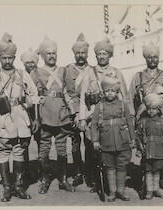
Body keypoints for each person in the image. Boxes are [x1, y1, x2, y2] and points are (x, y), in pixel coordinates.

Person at [0, 33, 38, 202]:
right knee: (2, 152)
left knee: (19, 150)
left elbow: (34, 96)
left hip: (20, 118)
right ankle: (7, 187)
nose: (7, 61)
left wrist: (35, 119)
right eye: (4, 58)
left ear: (14, 58)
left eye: (10, 58)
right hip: (1, 119)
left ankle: (19, 187)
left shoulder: (22, 74)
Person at [129, 42, 163, 190]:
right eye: (149, 57)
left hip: (161, 116)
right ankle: (145, 178)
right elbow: (129, 97)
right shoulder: (138, 77)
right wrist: (132, 117)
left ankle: (160, 178)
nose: (152, 60)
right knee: (144, 145)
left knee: (161, 147)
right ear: (145, 58)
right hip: (143, 116)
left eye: (155, 57)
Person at [30, 36, 77, 194]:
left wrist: (74, 113)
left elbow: (71, 93)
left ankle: (63, 180)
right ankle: (44, 180)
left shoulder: (64, 71)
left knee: (62, 148)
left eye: (54, 53)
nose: (52, 56)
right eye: (48, 53)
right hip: (44, 114)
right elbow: (30, 94)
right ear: (42, 55)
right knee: (44, 149)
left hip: (61, 114)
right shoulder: (35, 72)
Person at [91, 77, 135, 202]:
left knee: (122, 165)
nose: (109, 93)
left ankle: (121, 190)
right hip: (106, 140)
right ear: (103, 92)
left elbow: (130, 123)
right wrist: (95, 140)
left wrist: (133, 139)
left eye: (112, 91)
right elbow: (94, 124)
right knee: (109, 166)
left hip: (122, 140)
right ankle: (112, 191)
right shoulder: (99, 106)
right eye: (107, 91)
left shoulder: (123, 104)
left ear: (117, 92)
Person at [64, 33, 96, 191]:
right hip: (73, 112)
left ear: (87, 54)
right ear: (74, 54)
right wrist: (75, 112)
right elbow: (65, 92)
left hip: (89, 112)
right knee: (75, 144)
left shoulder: (93, 70)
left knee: (89, 143)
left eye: (83, 53)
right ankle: (78, 172)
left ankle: (90, 173)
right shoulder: (68, 70)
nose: (81, 55)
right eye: (78, 53)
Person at [136, 93, 163, 200]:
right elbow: (138, 136)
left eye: (154, 109)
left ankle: (156, 189)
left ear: (158, 110)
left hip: (159, 150)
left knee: (157, 170)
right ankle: (149, 191)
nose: (151, 111)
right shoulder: (143, 122)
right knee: (148, 170)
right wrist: (139, 147)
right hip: (147, 150)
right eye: (149, 109)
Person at [20, 48, 41, 185]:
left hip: (39, 112)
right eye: (28, 62)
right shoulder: (19, 75)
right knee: (24, 143)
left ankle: (41, 170)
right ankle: (25, 171)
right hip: (25, 113)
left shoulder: (41, 74)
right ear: (23, 64)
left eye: (33, 62)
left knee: (41, 141)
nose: (31, 65)